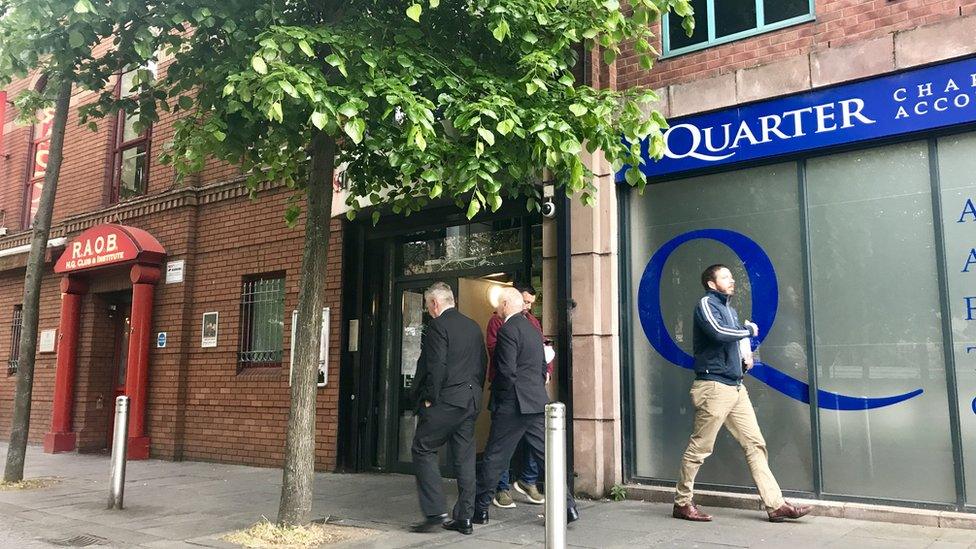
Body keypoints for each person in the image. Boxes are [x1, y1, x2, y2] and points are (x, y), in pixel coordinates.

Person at [673, 264, 812, 523]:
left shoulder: (730, 309)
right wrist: (747, 331)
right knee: (700, 447)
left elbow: (734, 341)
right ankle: (682, 502)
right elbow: (718, 333)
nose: (732, 280)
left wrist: (745, 357)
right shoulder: (706, 304)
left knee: (755, 443)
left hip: (735, 387)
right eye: (726, 277)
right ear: (712, 283)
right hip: (713, 387)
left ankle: (775, 504)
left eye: (731, 276)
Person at [474, 286, 579, 525]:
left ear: (506, 305)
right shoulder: (533, 329)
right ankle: (568, 507)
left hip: (513, 404)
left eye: (500, 303)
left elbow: (506, 371)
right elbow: (543, 366)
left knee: (495, 456)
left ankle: (479, 509)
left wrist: (500, 398)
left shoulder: (507, 330)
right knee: (548, 459)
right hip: (536, 401)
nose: (498, 308)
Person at [409, 282, 487, 535]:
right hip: (470, 399)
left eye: (428, 305)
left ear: (435, 303)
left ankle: (435, 512)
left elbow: (437, 365)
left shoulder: (437, 326)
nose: (429, 310)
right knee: (465, 457)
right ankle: (465, 517)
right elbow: (482, 363)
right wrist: (475, 392)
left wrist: (430, 397)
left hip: (446, 400)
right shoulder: (473, 326)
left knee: (422, 447)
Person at [484, 285, 550, 508]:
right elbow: (499, 356)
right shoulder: (502, 323)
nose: (528, 306)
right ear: (515, 300)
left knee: (498, 451)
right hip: (528, 396)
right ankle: (566, 506)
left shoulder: (527, 325)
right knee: (541, 453)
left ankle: (478, 508)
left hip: (518, 397)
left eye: (531, 303)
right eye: (526, 302)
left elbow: (510, 368)